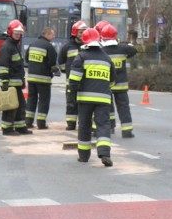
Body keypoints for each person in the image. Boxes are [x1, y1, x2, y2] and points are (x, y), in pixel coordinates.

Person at [69, 28, 116, 167]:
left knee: (84, 126)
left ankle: (83, 156)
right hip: (103, 99)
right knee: (103, 125)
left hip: (85, 99)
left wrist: (72, 98)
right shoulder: (107, 58)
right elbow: (112, 81)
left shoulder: (81, 57)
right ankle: (104, 154)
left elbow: (74, 80)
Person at [100, 23, 137, 138]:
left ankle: (110, 127)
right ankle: (127, 131)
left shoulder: (101, 51)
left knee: (107, 108)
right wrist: (125, 43)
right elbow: (133, 50)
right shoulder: (123, 48)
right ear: (115, 36)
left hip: (106, 85)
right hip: (121, 86)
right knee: (124, 108)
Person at [0, 19, 32, 135]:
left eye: (19, 33)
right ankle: (7, 129)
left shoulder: (15, 45)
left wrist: (22, 81)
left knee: (21, 105)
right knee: (10, 107)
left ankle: (20, 127)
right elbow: (3, 66)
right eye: (16, 33)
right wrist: (4, 83)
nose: (18, 35)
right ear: (10, 33)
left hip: (16, 83)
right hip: (10, 84)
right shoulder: (7, 47)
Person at [24, 26, 60, 129]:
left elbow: (26, 59)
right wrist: (55, 72)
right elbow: (52, 63)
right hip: (44, 79)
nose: (54, 37)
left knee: (31, 99)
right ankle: (41, 123)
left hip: (31, 78)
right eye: (53, 34)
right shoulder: (49, 46)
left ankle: (28, 121)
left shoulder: (32, 44)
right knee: (43, 101)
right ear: (47, 34)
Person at [57, 20, 87, 130]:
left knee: (84, 104)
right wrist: (67, 71)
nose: (83, 34)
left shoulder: (88, 45)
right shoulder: (67, 46)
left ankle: (83, 124)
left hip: (85, 81)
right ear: (75, 33)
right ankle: (71, 123)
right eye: (80, 32)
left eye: (84, 32)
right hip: (71, 80)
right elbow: (61, 61)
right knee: (71, 103)